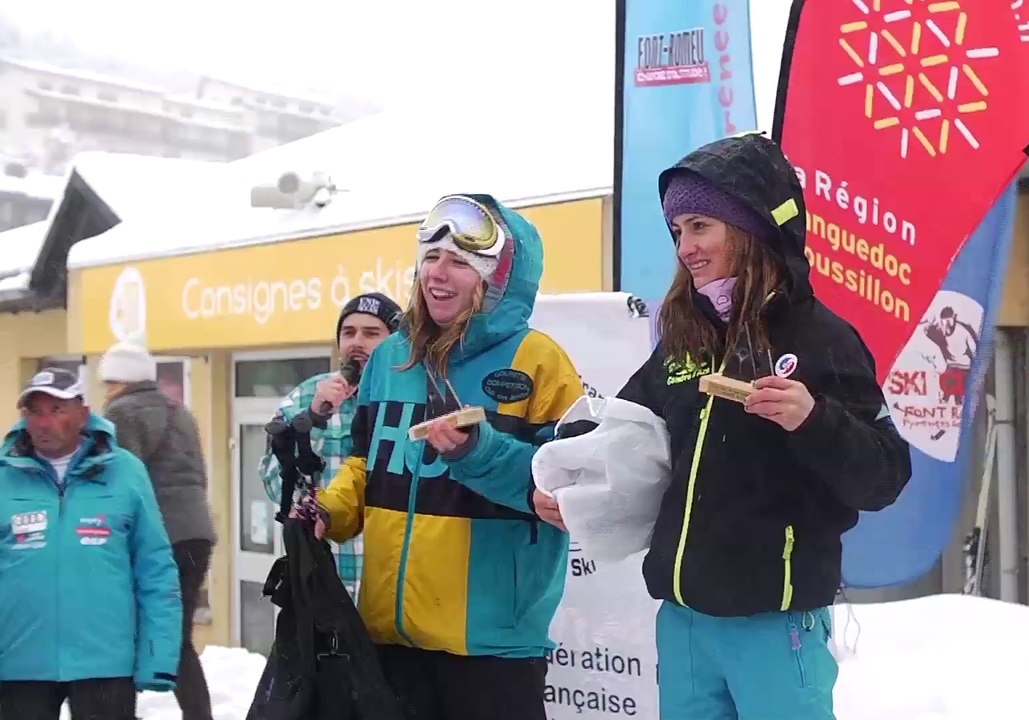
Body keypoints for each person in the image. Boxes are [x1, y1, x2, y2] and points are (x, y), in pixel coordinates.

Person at [534, 133, 913, 720]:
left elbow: (885, 477)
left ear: (752, 225)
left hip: (774, 621)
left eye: (700, 225)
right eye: (678, 230)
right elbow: (620, 428)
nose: (686, 246)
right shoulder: (686, 337)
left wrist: (813, 418)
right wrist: (563, 479)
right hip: (684, 621)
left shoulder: (821, 340)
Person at [309, 193, 584, 720]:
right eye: (431, 257)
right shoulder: (393, 356)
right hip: (391, 638)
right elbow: (367, 465)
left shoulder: (539, 361)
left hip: (490, 650)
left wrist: (476, 450)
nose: (438, 272)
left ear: (497, 277)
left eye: (460, 261)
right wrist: (332, 511)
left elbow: (566, 490)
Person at [0, 367, 181, 720]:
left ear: (83, 414)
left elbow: (155, 569)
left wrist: (157, 655)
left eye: (57, 410)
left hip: (105, 665)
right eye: (34, 411)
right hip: (20, 665)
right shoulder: (4, 476)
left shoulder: (125, 472)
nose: (44, 422)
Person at [98, 342, 218, 720]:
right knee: (179, 638)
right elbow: (198, 472)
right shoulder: (178, 409)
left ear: (118, 380)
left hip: (158, 537)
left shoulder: (119, 413)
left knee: (127, 631)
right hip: (197, 531)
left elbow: (122, 482)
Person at [259, 291, 403, 601]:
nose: (357, 342)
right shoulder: (308, 395)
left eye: (371, 333)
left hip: (394, 585)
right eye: (348, 332)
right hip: (326, 580)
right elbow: (275, 483)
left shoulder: (413, 399)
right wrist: (314, 417)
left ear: (397, 342)